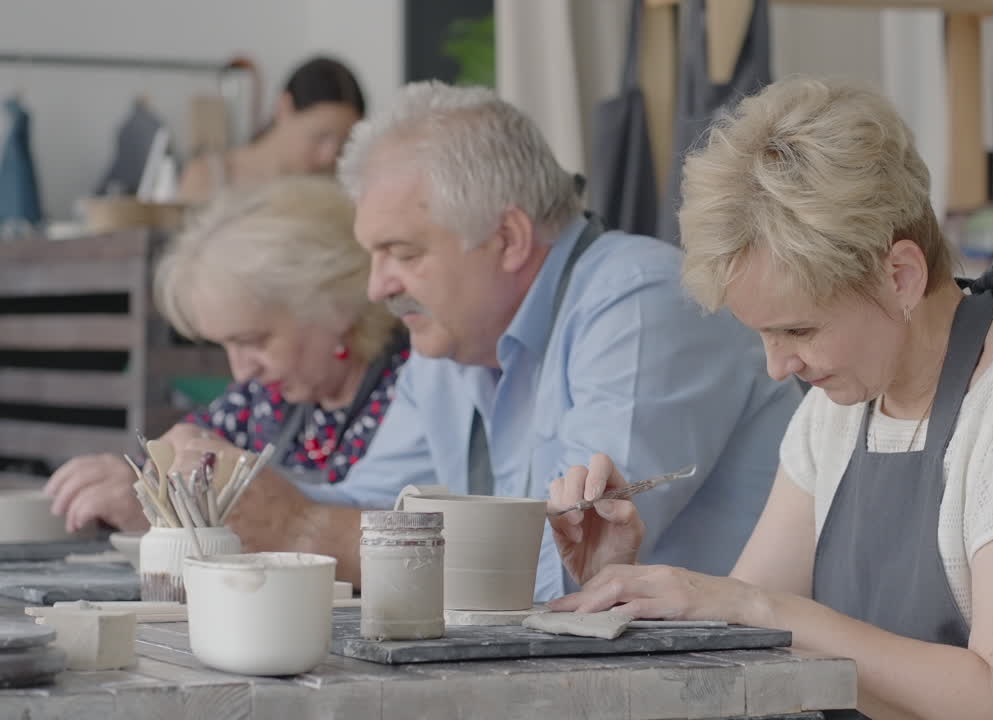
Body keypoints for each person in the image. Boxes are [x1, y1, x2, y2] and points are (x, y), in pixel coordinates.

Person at [547, 78, 993, 719]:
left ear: (900, 276)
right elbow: (745, 644)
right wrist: (620, 583)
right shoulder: (838, 409)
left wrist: (763, 609)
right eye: (763, 335)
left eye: (798, 329)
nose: (777, 368)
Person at [306, 80, 801, 601]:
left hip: (725, 674)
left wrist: (302, 530)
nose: (377, 285)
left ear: (508, 239)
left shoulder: (641, 301)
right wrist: (247, 496)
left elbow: (559, 568)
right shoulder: (453, 339)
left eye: (403, 254)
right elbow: (368, 508)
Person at [45, 177, 408, 582]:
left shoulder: (412, 390)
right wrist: (145, 495)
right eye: (225, 347)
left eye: (253, 340)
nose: (241, 371)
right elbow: (180, 461)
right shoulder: (264, 397)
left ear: (335, 305)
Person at [178, 56, 365, 204]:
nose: (329, 156)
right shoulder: (210, 176)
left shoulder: (340, 189)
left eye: (343, 143)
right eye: (320, 137)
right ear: (284, 107)